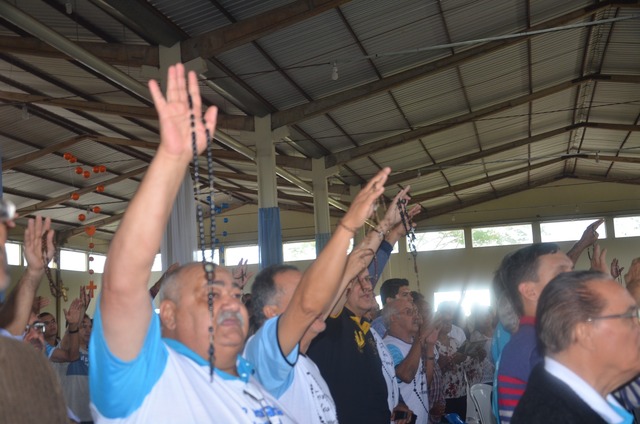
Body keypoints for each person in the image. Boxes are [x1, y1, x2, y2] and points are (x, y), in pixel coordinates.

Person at [89, 63, 292, 423]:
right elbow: (122, 286)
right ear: (167, 314)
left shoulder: (251, 379)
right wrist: (172, 158)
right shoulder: (152, 381)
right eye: (212, 294)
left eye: (233, 292)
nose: (232, 302)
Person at [244, 166, 396, 424]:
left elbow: (337, 284)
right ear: (271, 312)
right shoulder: (263, 355)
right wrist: (347, 226)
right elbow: (309, 306)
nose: (314, 300)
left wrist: (384, 228)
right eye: (300, 294)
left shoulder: (306, 366)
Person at [512, 270, 640, 423]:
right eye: (630, 317)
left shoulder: (568, 395)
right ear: (584, 333)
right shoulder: (553, 417)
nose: (638, 325)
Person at [308, 265, 411, 424]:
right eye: (357, 281)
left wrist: (396, 402)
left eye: (368, 280)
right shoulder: (331, 326)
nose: (368, 286)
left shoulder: (365, 328)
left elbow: (375, 380)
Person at [494, 242, 574, 423]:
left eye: (572, 270)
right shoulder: (540, 347)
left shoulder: (537, 340)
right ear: (530, 291)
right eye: (561, 273)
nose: (574, 279)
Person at [383, 299, 437, 424]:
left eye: (415, 312)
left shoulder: (413, 344)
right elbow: (406, 375)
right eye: (409, 312)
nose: (416, 316)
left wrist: (430, 346)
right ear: (393, 318)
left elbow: (425, 383)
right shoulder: (389, 346)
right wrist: (421, 337)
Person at [435, 301, 484, 420]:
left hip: (460, 391)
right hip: (443, 394)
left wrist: (472, 357)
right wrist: (445, 362)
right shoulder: (433, 344)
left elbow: (467, 363)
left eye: (449, 321)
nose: (448, 324)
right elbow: (431, 369)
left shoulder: (454, 341)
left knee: (460, 420)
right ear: (436, 322)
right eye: (444, 322)